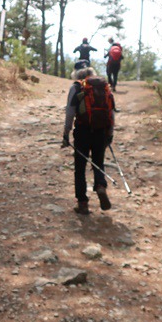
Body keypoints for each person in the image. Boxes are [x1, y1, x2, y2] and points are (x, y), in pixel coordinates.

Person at [62, 64, 115, 215]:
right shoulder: (104, 88)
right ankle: (100, 186)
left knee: (80, 167)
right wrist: (110, 133)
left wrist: (66, 133)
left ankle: (83, 203)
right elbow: (111, 112)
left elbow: (70, 112)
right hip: (101, 131)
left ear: (76, 74)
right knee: (98, 162)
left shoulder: (77, 87)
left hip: (82, 131)